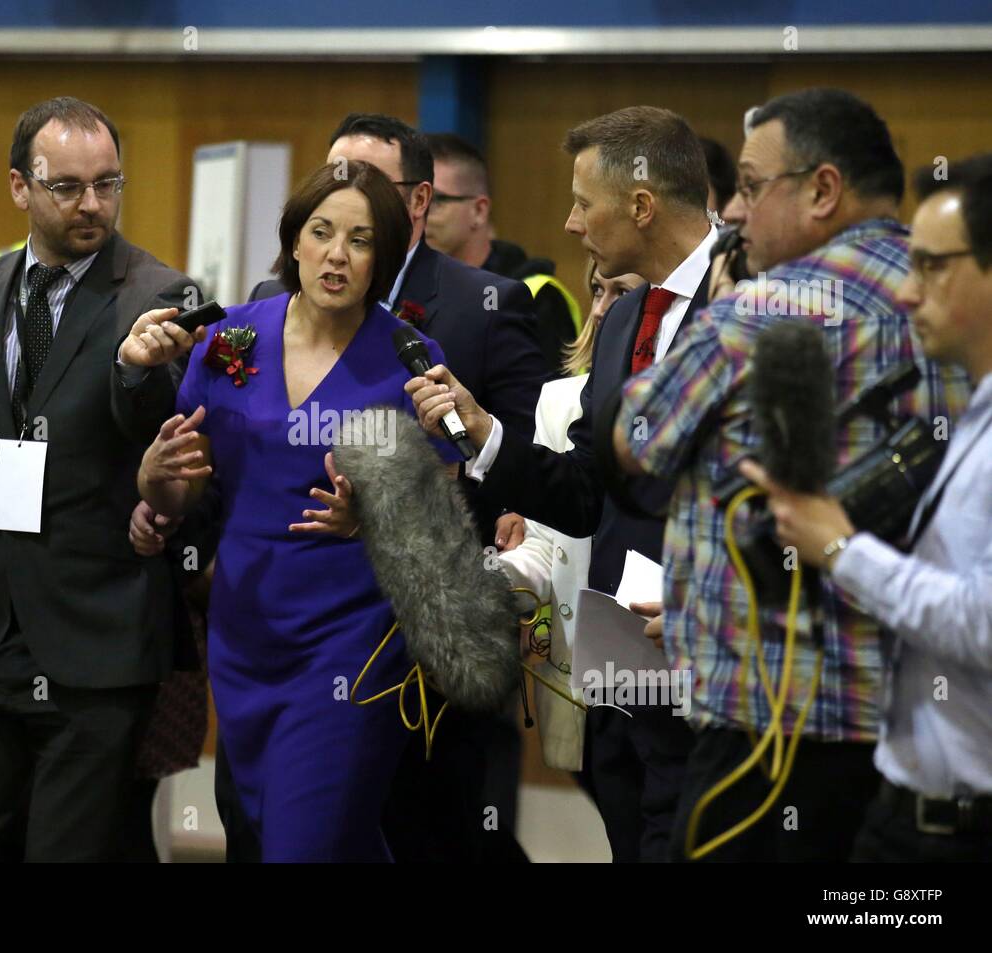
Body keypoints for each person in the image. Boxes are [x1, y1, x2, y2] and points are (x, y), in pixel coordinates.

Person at [610, 88, 969, 861]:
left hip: (766, 725)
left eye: (748, 186)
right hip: (912, 731)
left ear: (822, 189)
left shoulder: (762, 310)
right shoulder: (948, 302)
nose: (734, 213)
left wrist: (715, 319)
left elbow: (636, 435)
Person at [0, 97, 201, 862]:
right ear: (20, 187)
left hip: (97, 638)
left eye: (107, 183)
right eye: (67, 186)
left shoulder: (161, 296)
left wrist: (134, 370)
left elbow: (164, 436)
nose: (92, 203)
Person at [408, 106, 717, 862]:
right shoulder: (621, 320)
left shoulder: (750, 303)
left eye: (584, 202)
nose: (572, 224)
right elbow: (583, 491)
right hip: (619, 668)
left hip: (710, 661)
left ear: (640, 205)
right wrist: (487, 436)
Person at [240, 113, 546, 863]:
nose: (343, 205)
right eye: (331, 182)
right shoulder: (262, 308)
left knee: (433, 837)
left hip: (427, 646)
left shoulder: (488, 303)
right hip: (292, 633)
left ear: (416, 203)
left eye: (365, 185)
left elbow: (524, 468)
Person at [140, 160, 458, 862]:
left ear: (385, 260)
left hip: (354, 637)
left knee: (303, 840)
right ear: (293, 241)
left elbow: (443, 525)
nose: (337, 254)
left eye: (361, 239)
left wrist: (370, 517)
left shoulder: (409, 359)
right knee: (277, 833)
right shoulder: (227, 343)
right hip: (246, 628)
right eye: (321, 231)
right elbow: (181, 495)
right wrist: (153, 478)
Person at [739, 154, 992, 862]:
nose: (908, 294)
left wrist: (844, 548)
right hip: (908, 809)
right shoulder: (974, 409)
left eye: (933, 267)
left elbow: (982, 621)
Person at [498, 258, 644, 772]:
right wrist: (488, 579)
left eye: (621, 293)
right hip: (579, 674)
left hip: (658, 661)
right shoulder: (557, 402)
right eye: (597, 292)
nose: (602, 310)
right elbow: (544, 544)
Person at [425, 131, 582, 372]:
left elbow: (555, 403)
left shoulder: (536, 296)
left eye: (435, 201)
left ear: (479, 210)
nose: (419, 213)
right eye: (415, 199)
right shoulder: (408, 287)